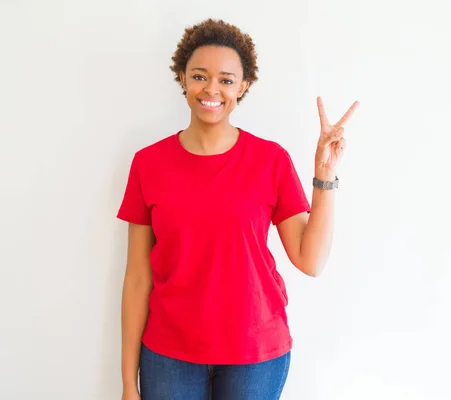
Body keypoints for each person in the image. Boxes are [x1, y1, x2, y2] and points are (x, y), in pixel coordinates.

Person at [117, 18, 358, 400]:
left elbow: (310, 260)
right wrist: (129, 383)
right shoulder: (148, 164)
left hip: (256, 353)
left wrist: (324, 176)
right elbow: (136, 279)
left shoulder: (270, 160)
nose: (211, 89)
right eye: (199, 75)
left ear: (243, 86)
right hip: (168, 355)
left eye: (226, 80)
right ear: (182, 77)